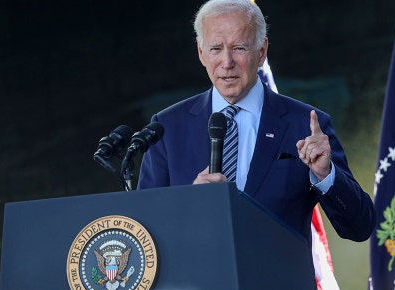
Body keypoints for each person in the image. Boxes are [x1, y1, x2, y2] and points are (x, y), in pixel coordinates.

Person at [136, 0, 375, 245]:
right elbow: (144, 235)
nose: (226, 62)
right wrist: (189, 206)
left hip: (278, 282)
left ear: (262, 52)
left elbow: (360, 227)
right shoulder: (167, 127)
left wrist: (326, 175)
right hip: (198, 282)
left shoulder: (306, 124)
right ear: (200, 52)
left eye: (239, 48)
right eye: (216, 48)